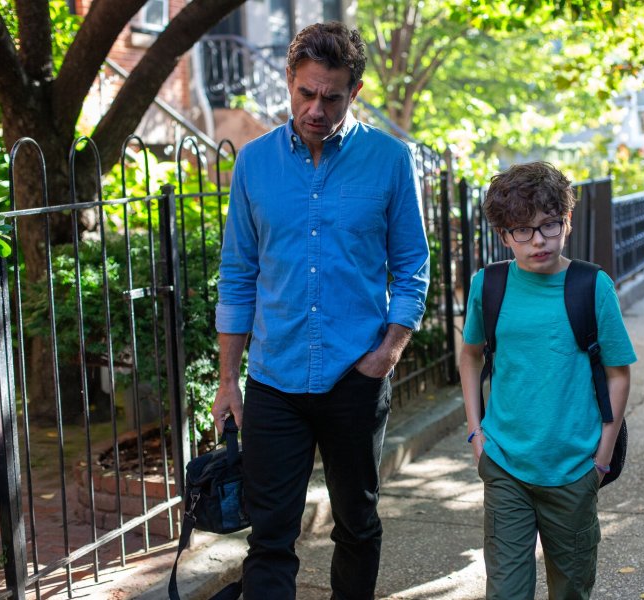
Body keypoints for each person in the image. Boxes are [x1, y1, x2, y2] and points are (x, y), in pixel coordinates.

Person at [211, 22, 430, 599]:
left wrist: (387, 353)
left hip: (355, 375)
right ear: (289, 80)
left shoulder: (389, 160)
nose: (316, 109)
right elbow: (237, 273)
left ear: (354, 91)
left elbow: (412, 265)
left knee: (356, 525)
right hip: (274, 380)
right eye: (306, 93)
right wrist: (229, 379)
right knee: (269, 537)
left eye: (332, 97)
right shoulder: (254, 163)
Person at [458, 162, 636, 599]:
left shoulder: (592, 286)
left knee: (571, 588)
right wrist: (477, 434)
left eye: (549, 225)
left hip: (574, 467)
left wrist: (601, 459)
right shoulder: (489, 285)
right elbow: (471, 356)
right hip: (505, 464)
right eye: (522, 230)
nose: (538, 240)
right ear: (504, 235)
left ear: (566, 222)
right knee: (506, 592)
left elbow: (618, 374)